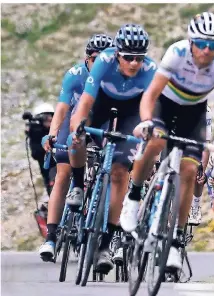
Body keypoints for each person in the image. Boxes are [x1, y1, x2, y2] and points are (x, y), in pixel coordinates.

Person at [121, 12, 214, 272]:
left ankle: (175, 243)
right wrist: (147, 121)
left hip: (193, 114)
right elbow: (150, 94)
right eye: (202, 43)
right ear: (191, 41)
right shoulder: (177, 53)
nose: (207, 51)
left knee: (190, 170)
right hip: (165, 106)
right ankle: (134, 196)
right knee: (157, 143)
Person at [68, 24, 157, 273]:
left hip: (132, 111)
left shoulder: (150, 70)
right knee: (77, 137)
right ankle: (76, 185)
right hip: (101, 103)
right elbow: (85, 101)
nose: (133, 63)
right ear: (117, 54)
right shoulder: (104, 61)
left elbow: (150, 109)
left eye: (139, 58)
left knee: (120, 172)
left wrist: (148, 128)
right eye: (128, 57)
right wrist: (77, 128)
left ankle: (106, 244)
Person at [37, 34, 114, 262]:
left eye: (105, 60)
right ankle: (50, 238)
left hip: (102, 123)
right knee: (63, 171)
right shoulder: (75, 74)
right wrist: (52, 135)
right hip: (74, 120)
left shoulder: (116, 80)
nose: (100, 64)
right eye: (94, 59)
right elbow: (61, 108)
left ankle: (108, 233)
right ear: (86, 59)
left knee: (115, 167)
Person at [23, 103, 57, 197]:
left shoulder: (57, 131)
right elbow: (35, 154)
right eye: (46, 117)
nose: (50, 119)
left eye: (51, 116)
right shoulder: (36, 134)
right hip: (50, 173)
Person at [188, 105, 213, 226]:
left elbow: (206, 144)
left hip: (196, 142)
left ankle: (195, 207)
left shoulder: (205, 111)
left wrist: (202, 167)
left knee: (198, 173)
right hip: (176, 137)